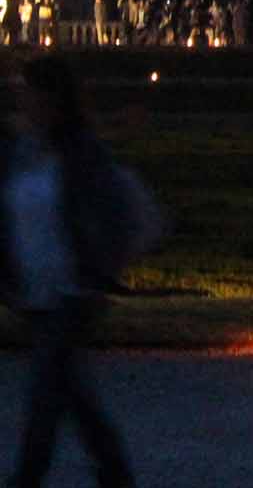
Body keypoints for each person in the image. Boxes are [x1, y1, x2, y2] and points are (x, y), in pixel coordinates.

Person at [3, 57, 140, 487]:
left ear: (53, 97)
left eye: (30, 90)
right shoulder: (22, 151)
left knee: (46, 397)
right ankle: (116, 473)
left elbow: (115, 216)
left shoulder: (82, 153)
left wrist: (97, 274)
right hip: (35, 293)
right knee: (74, 396)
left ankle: (27, 479)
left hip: (71, 292)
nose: (22, 97)